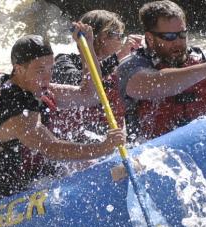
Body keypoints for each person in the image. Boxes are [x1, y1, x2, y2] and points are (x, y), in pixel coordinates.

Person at [0, 25, 127, 201]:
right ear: (19, 69)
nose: (47, 77)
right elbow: (51, 148)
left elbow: (90, 95)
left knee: (115, 170)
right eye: (40, 71)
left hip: (35, 181)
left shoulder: (33, 87)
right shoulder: (15, 111)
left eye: (50, 69)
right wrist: (103, 148)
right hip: (0, 200)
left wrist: (86, 48)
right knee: (110, 173)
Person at [116, 0, 206, 141]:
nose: (178, 42)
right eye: (169, 37)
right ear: (149, 38)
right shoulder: (131, 66)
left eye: (182, 34)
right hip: (153, 156)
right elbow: (152, 84)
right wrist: (205, 70)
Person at [50, 10, 143, 142]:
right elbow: (80, 84)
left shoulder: (119, 68)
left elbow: (130, 108)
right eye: (119, 36)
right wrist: (118, 56)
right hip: (78, 142)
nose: (121, 41)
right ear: (103, 37)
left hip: (114, 139)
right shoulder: (64, 61)